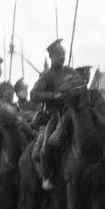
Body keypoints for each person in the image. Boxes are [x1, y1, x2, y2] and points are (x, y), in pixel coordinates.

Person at [31, 39, 72, 191]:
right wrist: (54, 95)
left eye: (64, 53)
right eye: (59, 54)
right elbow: (34, 94)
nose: (62, 56)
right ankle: (47, 176)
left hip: (72, 112)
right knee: (47, 144)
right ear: (52, 56)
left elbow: (80, 85)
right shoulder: (47, 75)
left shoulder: (70, 71)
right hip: (55, 115)